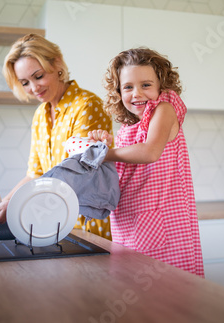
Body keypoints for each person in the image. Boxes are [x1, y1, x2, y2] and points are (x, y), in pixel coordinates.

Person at [0, 33, 113, 240]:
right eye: (25, 82)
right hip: (54, 224)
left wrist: (14, 205)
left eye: (38, 76)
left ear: (57, 65)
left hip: (87, 225)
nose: (34, 88)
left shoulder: (87, 105)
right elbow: (35, 174)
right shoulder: (40, 115)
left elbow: (78, 176)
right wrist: (3, 204)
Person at [88, 47, 204, 275]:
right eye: (128, 87)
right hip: (128, 222)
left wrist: (103, 154)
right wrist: (104, 145)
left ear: (161, 85)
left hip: (160, 224)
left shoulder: (165, 109)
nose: (136, 93)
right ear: (118, 91)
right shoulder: (128, 125)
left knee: (165, 293)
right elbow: (124, 169)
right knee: (134, 295)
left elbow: (149, 152)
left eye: (146, 85)